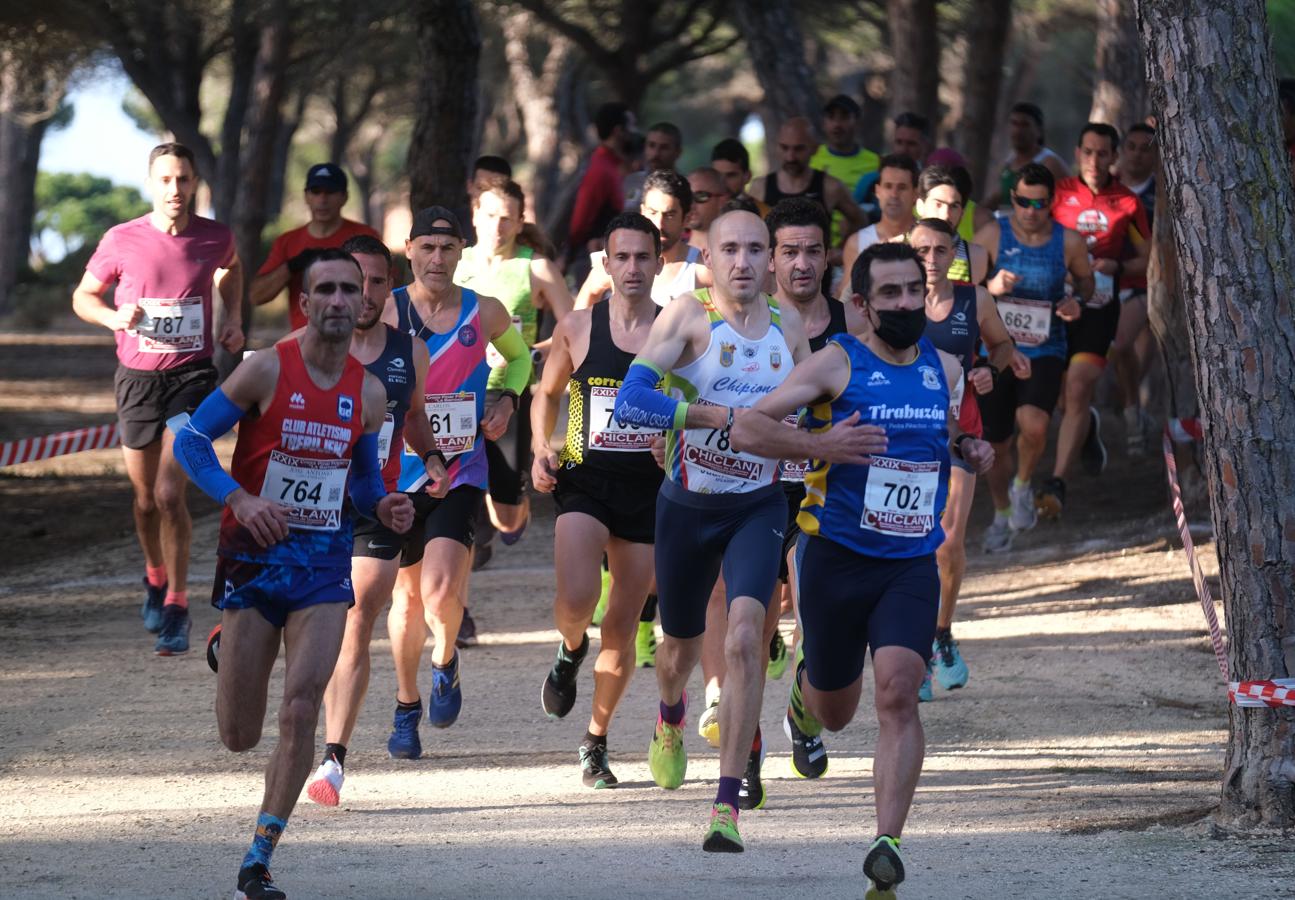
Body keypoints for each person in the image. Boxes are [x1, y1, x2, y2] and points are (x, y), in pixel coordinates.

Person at [732, 241, 994, 898]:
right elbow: (746, 429)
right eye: (890, 294)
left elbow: (944, 438)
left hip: (908, 563)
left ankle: (886, 844)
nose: (906, 303)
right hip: (834, 560)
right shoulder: (833, 365)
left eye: (913, 290)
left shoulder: (944, 367)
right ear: (860, 304)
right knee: (838, 709)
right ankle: (803, 701)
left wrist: (970, 448)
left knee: (899, 692)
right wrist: (820, 445)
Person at [170, 248, 415, 900]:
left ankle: (258, 860)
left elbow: (363, 485)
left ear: (364, 299)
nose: (340, 299)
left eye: (351, 289)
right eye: (325, 289)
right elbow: (189, 441)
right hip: (252, 562)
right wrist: (239, 499)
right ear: (305, 303)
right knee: (238, 735)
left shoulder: (367, 393)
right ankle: (228, 643)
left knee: (302, 706)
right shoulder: (262, 370)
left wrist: (384, 504)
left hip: (323, 567)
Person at [613, 206, 813, 852]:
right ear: (707, 257)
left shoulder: (791, 330)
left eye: (757, 249)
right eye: (730, 248)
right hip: (687, 507)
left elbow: (814, 412)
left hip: (758, 506)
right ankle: (670, 714)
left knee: (746, 638)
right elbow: (631, 400)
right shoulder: (688, 317)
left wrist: (803, 441)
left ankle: (726, 802)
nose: (744, 262)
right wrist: (714, 417)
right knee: (676, 647)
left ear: (773, 259)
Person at [72, 141, 244, 655]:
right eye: (167, 180)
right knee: (146, 501)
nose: (176, 190)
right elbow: (83, 297)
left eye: (184, 180)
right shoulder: (122, 239)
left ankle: (175, 605)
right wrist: (111, 317)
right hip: (137, 380)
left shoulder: (215, 236)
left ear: (195, 183)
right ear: (153, 184)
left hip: (192, 378)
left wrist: (232, 318)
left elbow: (233, 269)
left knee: (171, 494)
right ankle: (153, 573)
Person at [381, 207, 532, 757]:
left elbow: (518, 361)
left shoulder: (483, 310)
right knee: (404, 596)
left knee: (440, 592)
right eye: (427, 248)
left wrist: (507, 398)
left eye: (447, 248)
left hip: (462, 466)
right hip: (397, 471)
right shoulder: (389, 312)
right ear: (409, 250)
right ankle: (405, 704)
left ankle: (444, 658)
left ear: (461, 252)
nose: (437, 258)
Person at [304, 235, 443, 808]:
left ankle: (333, 756)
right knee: (307, 617)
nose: (363, 292)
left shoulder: (409, 351)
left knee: (356, 614)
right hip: (309, 503)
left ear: (390, 288)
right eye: (352, 279)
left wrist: (431, 455)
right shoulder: (298, 350)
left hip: (377, 503)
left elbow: (413, 420)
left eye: (377, 281)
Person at [530, 212, 666, 789]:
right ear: (605, 264)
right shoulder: (579, 326)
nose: (632, 268)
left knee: (623, 624)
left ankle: (596, 738)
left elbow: (698, 402)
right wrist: (541, 447)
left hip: (649, 493)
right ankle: (568, 647)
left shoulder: (680, 331)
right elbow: (549, 390)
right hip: (585, 480)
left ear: (659, 263)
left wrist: (676, 442)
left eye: (643, 257)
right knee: (577, 600)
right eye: (622, 257)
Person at [910, 218, 1027, 701]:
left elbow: (1003, 345)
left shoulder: (972, 299)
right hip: (909, 432)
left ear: (954, 254)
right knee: (914, 536)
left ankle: (940, 633)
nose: (931, 260)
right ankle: (912, 649)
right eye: (922, 251)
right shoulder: (891, 299)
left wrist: (986, 370)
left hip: (964, 432)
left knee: (949, 539)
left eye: (941, 250)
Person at [973, 163, 1093, 552]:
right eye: (1023, 202)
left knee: (1036, 425)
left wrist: (1077, 301)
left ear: (1051, 203)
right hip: (995, 347)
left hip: (1045, 346)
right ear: (1013, 200)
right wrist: (990, 285)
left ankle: (1023, 484)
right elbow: (966, 286)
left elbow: (1086, 283)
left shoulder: (1069, 241)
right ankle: (1001, 511)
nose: (1031, 210)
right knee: (996, 442)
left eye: (1039, 203)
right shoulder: (993, 234)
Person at [455, 179, 573, 547]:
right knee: (453, 490)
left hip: (509, 392)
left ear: (521, 222)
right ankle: (469, 519)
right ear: (475, 215)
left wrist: (532, 351)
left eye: (507, 218)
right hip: (456, 393)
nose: (497, 226)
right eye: (490, 215)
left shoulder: (535, 268)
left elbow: (574, 327)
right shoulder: (456, 262)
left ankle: (505, 506)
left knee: (506, 514)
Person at [1044, 123, 1149, 514]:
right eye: (1087, 151)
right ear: (1076, 152)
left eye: (1102, 153)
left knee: (1078, 384)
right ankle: (1086, 425)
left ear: (1114, 156)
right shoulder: (1059, 195)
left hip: (1101, 309)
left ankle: (1057, 483)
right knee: (1060, 395)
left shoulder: (1127, 202)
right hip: (1057, 306)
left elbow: (1146, 256)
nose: (1094, 160)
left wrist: (1116, 263)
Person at [251, 163, 380, 332]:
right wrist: (291, 266)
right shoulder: (288, 242)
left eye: (330, 192)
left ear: (344, 197)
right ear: (306, 196)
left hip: (354, 339)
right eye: (316, 192)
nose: (322, 200)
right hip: (304, 342)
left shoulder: (365, 236)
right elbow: (255, 296)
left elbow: (386, 289)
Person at [576, 169, 710, 309]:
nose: (659, 224)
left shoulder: (702, 269)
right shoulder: (616, 260)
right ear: (643, 211)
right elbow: (578, 319)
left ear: (687, 218)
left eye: (669, 215)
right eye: (652, 213)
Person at [749, 117, 866, 258]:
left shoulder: (830, 186)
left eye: (798, 149)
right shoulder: (759, 187)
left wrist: (841, 250)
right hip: (773, 277)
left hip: (819, 278)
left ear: (815, 148)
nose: (790, 156)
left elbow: (860, 220)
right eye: (784, 147)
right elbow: (747, 233)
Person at [1114, 122, 1159, 454]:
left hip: (1150, 284)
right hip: (1108, 282)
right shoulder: (1108, 189)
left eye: (1147, 147)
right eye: (1132, 146)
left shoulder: (1164, 194)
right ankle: (1134, 409)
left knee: (1126, 343)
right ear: (1121, 150)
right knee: (1125, 351)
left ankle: (1133, 414)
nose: (1138, 154)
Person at [809, 94, 880, 247]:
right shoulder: (812, 159)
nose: (837, 124)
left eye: (844, 117)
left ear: (858, 123)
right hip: (817, 247)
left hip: (860, 247)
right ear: (823, 123)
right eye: (831, 117)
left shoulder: (875, 162)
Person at [841, 154, 920, 290]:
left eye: (902, 187)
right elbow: (845, 298)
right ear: (878, 191)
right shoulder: (857, 243)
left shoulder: (930, 241)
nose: (894, 194)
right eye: (888, 186)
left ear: (915, 194)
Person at [568, 102, 636, 256]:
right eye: (630, 128)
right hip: (595, 254)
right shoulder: (601, 169)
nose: (634, 134)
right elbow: (580, 223)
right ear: (618, 131)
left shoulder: (613, 165)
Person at [986, 102, 1071, 211]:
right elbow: (997, 197)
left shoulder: (1049, 164)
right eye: (1014, 123)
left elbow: (1067, 204)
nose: (1018, 131)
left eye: (1025, 125)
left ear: (1039, 131)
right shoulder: (1008, 161)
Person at [913, 164, 989, 284]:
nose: (945, 215)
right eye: (938, 204)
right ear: (919, 206)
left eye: (954, 206)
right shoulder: (896, 248)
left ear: (962, 213)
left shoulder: (976, 256)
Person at [852, 111, 931, 218]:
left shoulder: (930, 187)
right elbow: (849, 221)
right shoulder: (870, 182)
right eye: (899, 142)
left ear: (924, 146)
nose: (904, 149)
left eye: (911, 144)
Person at [710, 138, 766, 215]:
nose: (722, 182)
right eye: (717, 175)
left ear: (747, 176)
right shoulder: (703, 214)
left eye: (730, 175)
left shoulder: (766, 215)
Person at [686, 166, 732, 254]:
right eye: (687, 196)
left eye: (700, 196)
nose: (691, 205)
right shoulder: (671, 251)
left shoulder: (736, 254)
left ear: (723, 200)